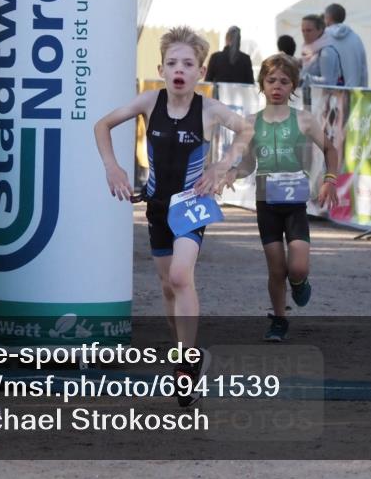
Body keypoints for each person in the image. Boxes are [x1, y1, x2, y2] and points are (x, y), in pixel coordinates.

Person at [94, 26, 253, 407]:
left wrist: (222, 165)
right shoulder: (150, 102)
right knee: (168, 288)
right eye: (172, 63)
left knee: (182, 276)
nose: (179, 69)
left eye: (188, 63)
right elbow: (102, 125)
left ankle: (185, 363)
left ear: (200, 72)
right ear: (161, 69)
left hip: (191, 203)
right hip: (157, 205)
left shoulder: (210, 110)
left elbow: (247, 130)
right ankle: (188, 355)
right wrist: (112, 167)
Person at [222, 54, 338, 342]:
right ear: (262, 83)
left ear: (293, 86)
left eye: (284, 82)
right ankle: (279, 320)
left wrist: (329, 180)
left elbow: (330, 149)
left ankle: (299, 283)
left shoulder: (304, 120)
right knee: (276, 269)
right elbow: (248, 164)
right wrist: (231, 173)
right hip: (267, 205)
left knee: (297, 267)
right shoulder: (251, 123)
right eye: (271, 80)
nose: (277, 86)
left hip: (295, 205)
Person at [322, 3, 368, 87]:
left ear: (328, 18)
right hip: (354, 94)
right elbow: (363, 70)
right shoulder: (355, 38)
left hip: (330, 94)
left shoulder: (323, 36)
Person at [299, 14, 343, 87]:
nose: (305, 34)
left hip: (323, 97)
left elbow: (328, 82)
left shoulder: (326, 51)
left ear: (320, 30)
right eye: (303, 31)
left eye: (309, 30)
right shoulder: (308, 50)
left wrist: (303, 78)